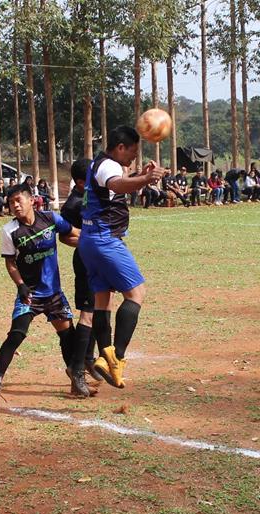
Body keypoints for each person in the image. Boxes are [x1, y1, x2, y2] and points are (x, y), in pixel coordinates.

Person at [78, 125, 164, 390]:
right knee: (136, 293)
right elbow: (117, 183)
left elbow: (115, 187)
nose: (134, 158)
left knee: (103, 301)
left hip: (89, 241)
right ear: (120, 148)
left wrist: (141, 175)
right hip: (105, 240)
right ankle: (119, 357)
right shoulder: (109, 167)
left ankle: (107, 359)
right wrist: (146, 180)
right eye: (133, 153)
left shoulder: (101, 165)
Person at [0, 183, 80, 407]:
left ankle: (76, 380)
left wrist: (97, 242)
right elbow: (10, 262)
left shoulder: (50, 219)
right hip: (30, 294)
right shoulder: (9, 230)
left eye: (19, 200)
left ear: (31, 200)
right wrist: (20, 285)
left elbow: (73, 233)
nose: (15, 205)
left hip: (54, 293)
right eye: (11, 203)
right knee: (16, 335)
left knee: (68, 335)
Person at [60, 158, 105, 397]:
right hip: (86, 260)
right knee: (88, 313)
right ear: (80, 181)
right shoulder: (73, 205)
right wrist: (90, 241)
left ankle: (88, 358)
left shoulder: (93, 195)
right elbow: (65, 238)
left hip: (102, 258)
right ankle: (76, 368)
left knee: (100, 308)